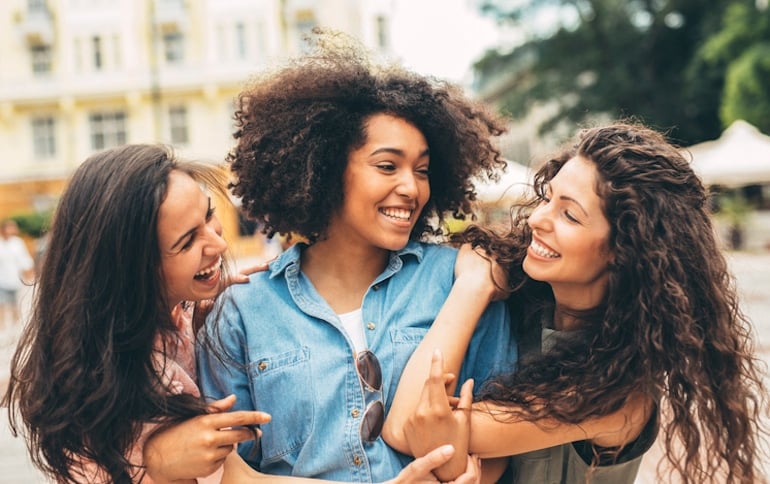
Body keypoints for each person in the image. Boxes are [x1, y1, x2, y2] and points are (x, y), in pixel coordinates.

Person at [196, 29, 519, 481]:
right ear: (325, 168)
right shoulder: (243, 311)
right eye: (387, 166)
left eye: (422, 170)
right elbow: (227, 471)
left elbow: (497, 445)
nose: (411, 187)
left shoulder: (463, 281)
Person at [383, 121, 767, 483]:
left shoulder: (619, 394)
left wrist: (472, 287)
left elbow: (409, 425)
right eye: (547, 198)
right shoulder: (524, 302)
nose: (536, 219)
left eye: (569, 214)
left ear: (625, 249)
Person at [2, 144, 273, 483]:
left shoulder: (134, 330)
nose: (217, 244)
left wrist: (198, 315)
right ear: (130, 269)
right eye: (187, 241)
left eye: (208, 214)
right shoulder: (147, 377)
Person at [0, 218, 35, 327]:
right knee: (2, 305)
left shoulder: (17, 243)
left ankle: (15, 327)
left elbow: (24, 260)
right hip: (1, 280)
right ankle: (2, 328)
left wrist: (29, 273)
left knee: (16, 305)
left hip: (15, 279)